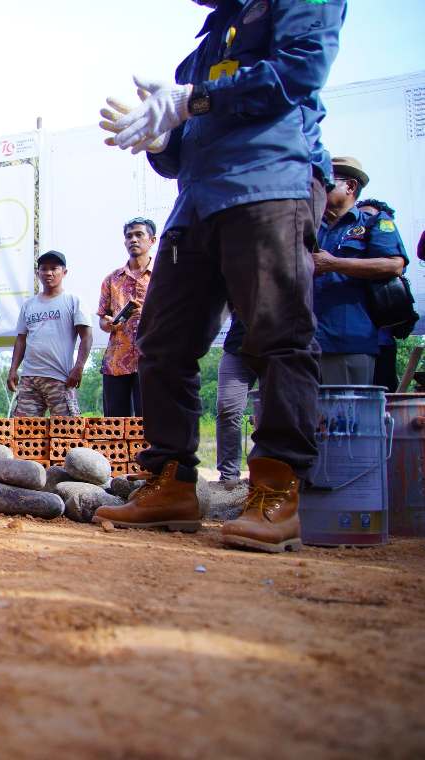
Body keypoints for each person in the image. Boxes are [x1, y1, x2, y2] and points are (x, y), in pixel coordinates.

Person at [95, 0, 347, 552]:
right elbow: (181, 153)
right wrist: (161, 140)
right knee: (161, 342)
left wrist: (195, 98)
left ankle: (276, 491)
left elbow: (300, 71)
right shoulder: (204, 47)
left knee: (278, 334)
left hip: (269, 181)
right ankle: (171, 483)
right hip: (197, 202)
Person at [313, 158, 408, 385]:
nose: (317, 190)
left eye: (325, 183)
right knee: (309, 418)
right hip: (306, 344)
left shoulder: (374, 222)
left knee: (347, 417)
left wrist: (333, 264)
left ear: (350, 186)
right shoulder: (311, 228)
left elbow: (394, 265)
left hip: (348, 340)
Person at [8, 251, 92, 417]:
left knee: (68, 433)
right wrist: (13, 369)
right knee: (24, 433)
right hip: (30, 379)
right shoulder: (29, 305)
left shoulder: (74, 301)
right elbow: (21, 340)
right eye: (44, 269)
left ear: (64, 272)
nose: (48, 273)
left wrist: (79, 367)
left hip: (60, 378)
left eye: (54, 268)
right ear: (37, 272)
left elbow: (87, 337)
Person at [97, 217, 154, 416]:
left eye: (139, 235)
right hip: (116, 362)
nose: (134, 240)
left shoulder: (163, 276)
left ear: (152, 240)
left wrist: (150, 315)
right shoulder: (111, 279)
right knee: (113, 428)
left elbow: (176, 318)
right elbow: (103, 320)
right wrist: (109, 323)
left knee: (150, 427)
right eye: (129, 236)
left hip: (152, 361)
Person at [357, 198, 409, 392]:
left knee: (383, 403)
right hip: (351, 343)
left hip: (381, 344)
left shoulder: (388, 253)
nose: (363, 222)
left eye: (368, 217)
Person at [215, 313, 255, 481]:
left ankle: (275, 475)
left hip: (280, 347)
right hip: (238, 345)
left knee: (278, 410)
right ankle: (229, 477)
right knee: (227, 407)